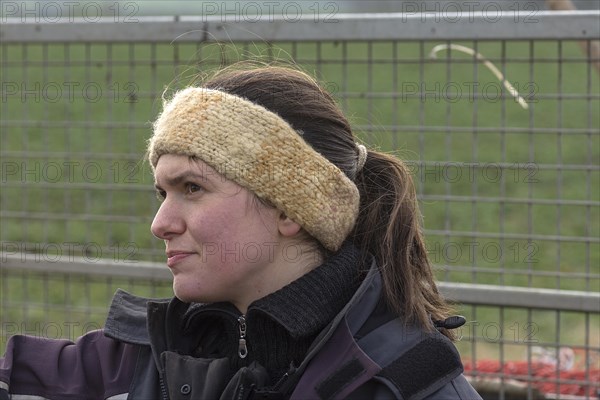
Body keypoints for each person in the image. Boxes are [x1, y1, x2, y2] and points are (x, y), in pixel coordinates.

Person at [0, 64, 482, 399]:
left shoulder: (403, 385)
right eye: (161, 193)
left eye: (192, 187)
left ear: (289, 209)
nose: (160, 224)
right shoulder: (126, 367)